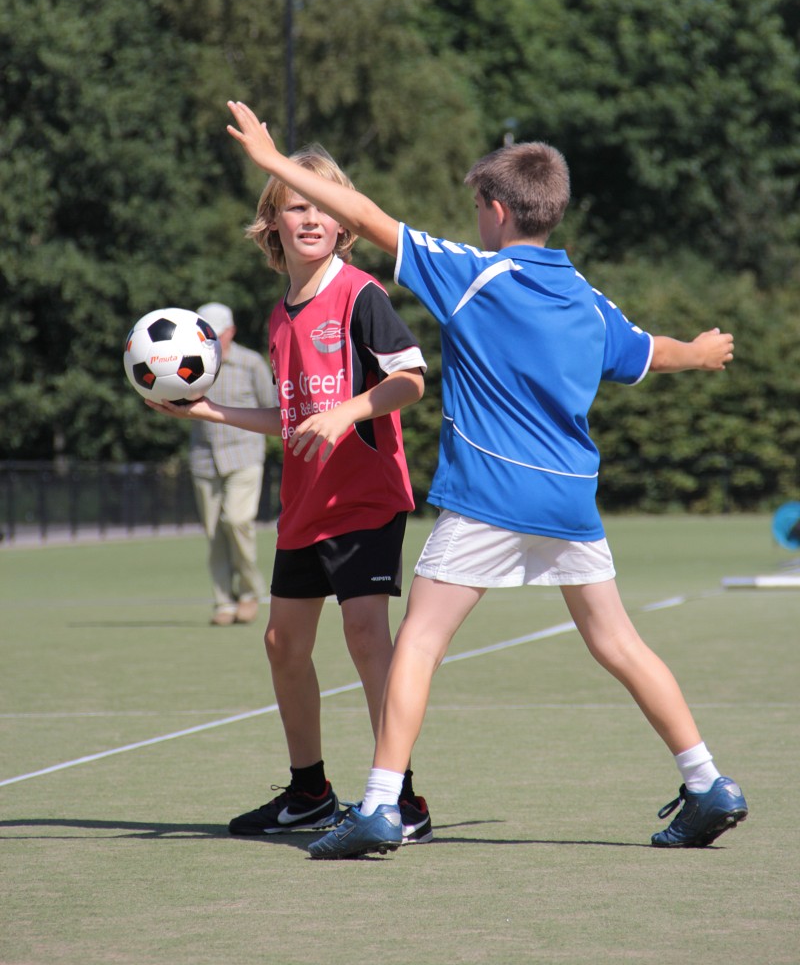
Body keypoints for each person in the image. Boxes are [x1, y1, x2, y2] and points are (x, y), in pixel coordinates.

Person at [224, 99, 749, 860]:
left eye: (477, 209)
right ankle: (708, 784)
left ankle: (382, 806)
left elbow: (366, 217)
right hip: (569, 502)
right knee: (618, 643)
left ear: (496, 211)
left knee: (416, 644)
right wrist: (699, 353)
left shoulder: (474, 276)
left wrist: (275, 164)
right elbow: (651, 353)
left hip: (489, 499)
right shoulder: (586, 297)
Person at [147, 145, 433, 845]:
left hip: (365, 496)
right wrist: (210, 411)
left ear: (343, 223)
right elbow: (290, 417)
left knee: (365, 634)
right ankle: (309, 793)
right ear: (271, 223)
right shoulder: (279, 318)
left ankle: (401, 798)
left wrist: (348, 411)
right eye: (294, 206)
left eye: (322, 207)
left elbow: (411, 378)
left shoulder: (360, 294)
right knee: (282, 643)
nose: (310, 218)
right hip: (306, 504)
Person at [189, 302, 275, 627]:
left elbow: (272, 407)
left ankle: (250, 593)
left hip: (244, 455)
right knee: (214, 533)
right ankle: (224, 601)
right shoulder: (187, 360)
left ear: (231, 332)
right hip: (204, 458)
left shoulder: (251, 363)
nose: (209, 339)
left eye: (215, 332)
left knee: (237, 521)